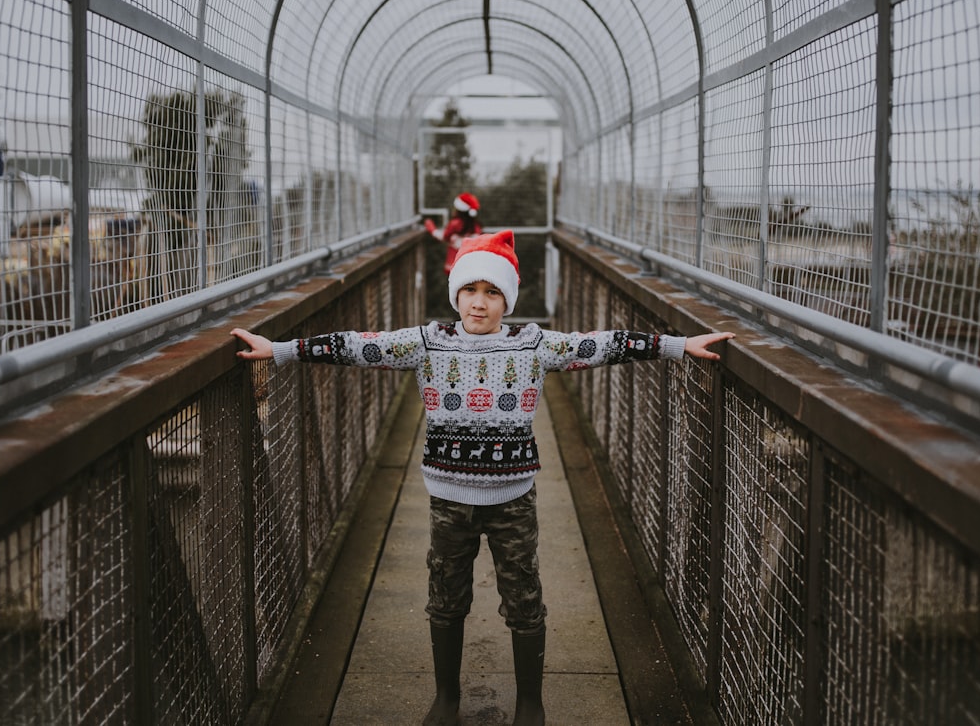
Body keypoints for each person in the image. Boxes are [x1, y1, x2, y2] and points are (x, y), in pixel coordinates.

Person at [231, 230, 734, 726]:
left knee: (524, 597)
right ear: (456, 295)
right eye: (470, 290)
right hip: (448, 498)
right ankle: (446, 698)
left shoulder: (534, 345)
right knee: (446, 595)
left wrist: (679, 345)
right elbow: (359, 346)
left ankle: (531, 706)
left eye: (493, 292)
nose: (479, 303)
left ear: (508, 300)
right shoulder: (427, 343)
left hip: (513, 497)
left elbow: (601, 344)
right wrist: (278, 350)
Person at [424, 192, 483, 274]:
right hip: (471, 263)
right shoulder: (476, 226)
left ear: (458, 210)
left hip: (454, 262)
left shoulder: (455, 223)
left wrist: (432, 228)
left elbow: (444, 237)